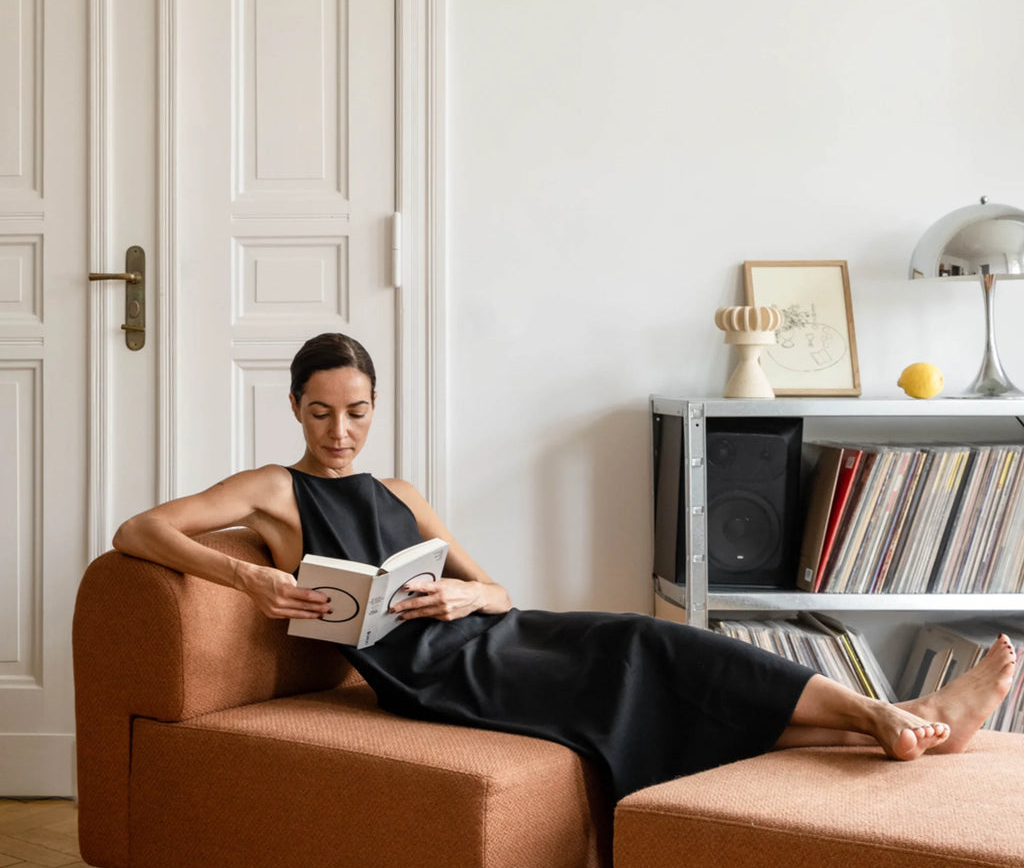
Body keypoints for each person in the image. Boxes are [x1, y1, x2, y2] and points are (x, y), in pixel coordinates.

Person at [113, 333, 1017, 805]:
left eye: (354, 411)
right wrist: (251, 581)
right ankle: (899, 715)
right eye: (319, 414)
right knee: (641, 650)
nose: (338, 432)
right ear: (295, 410)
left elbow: (500, 593)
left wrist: (466, 591)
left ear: (376, 406)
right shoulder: (273, 490)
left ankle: (890, 721)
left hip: (493, 638)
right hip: (431, 680)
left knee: (648, 653)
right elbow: (138, 530)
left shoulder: (403, 492)